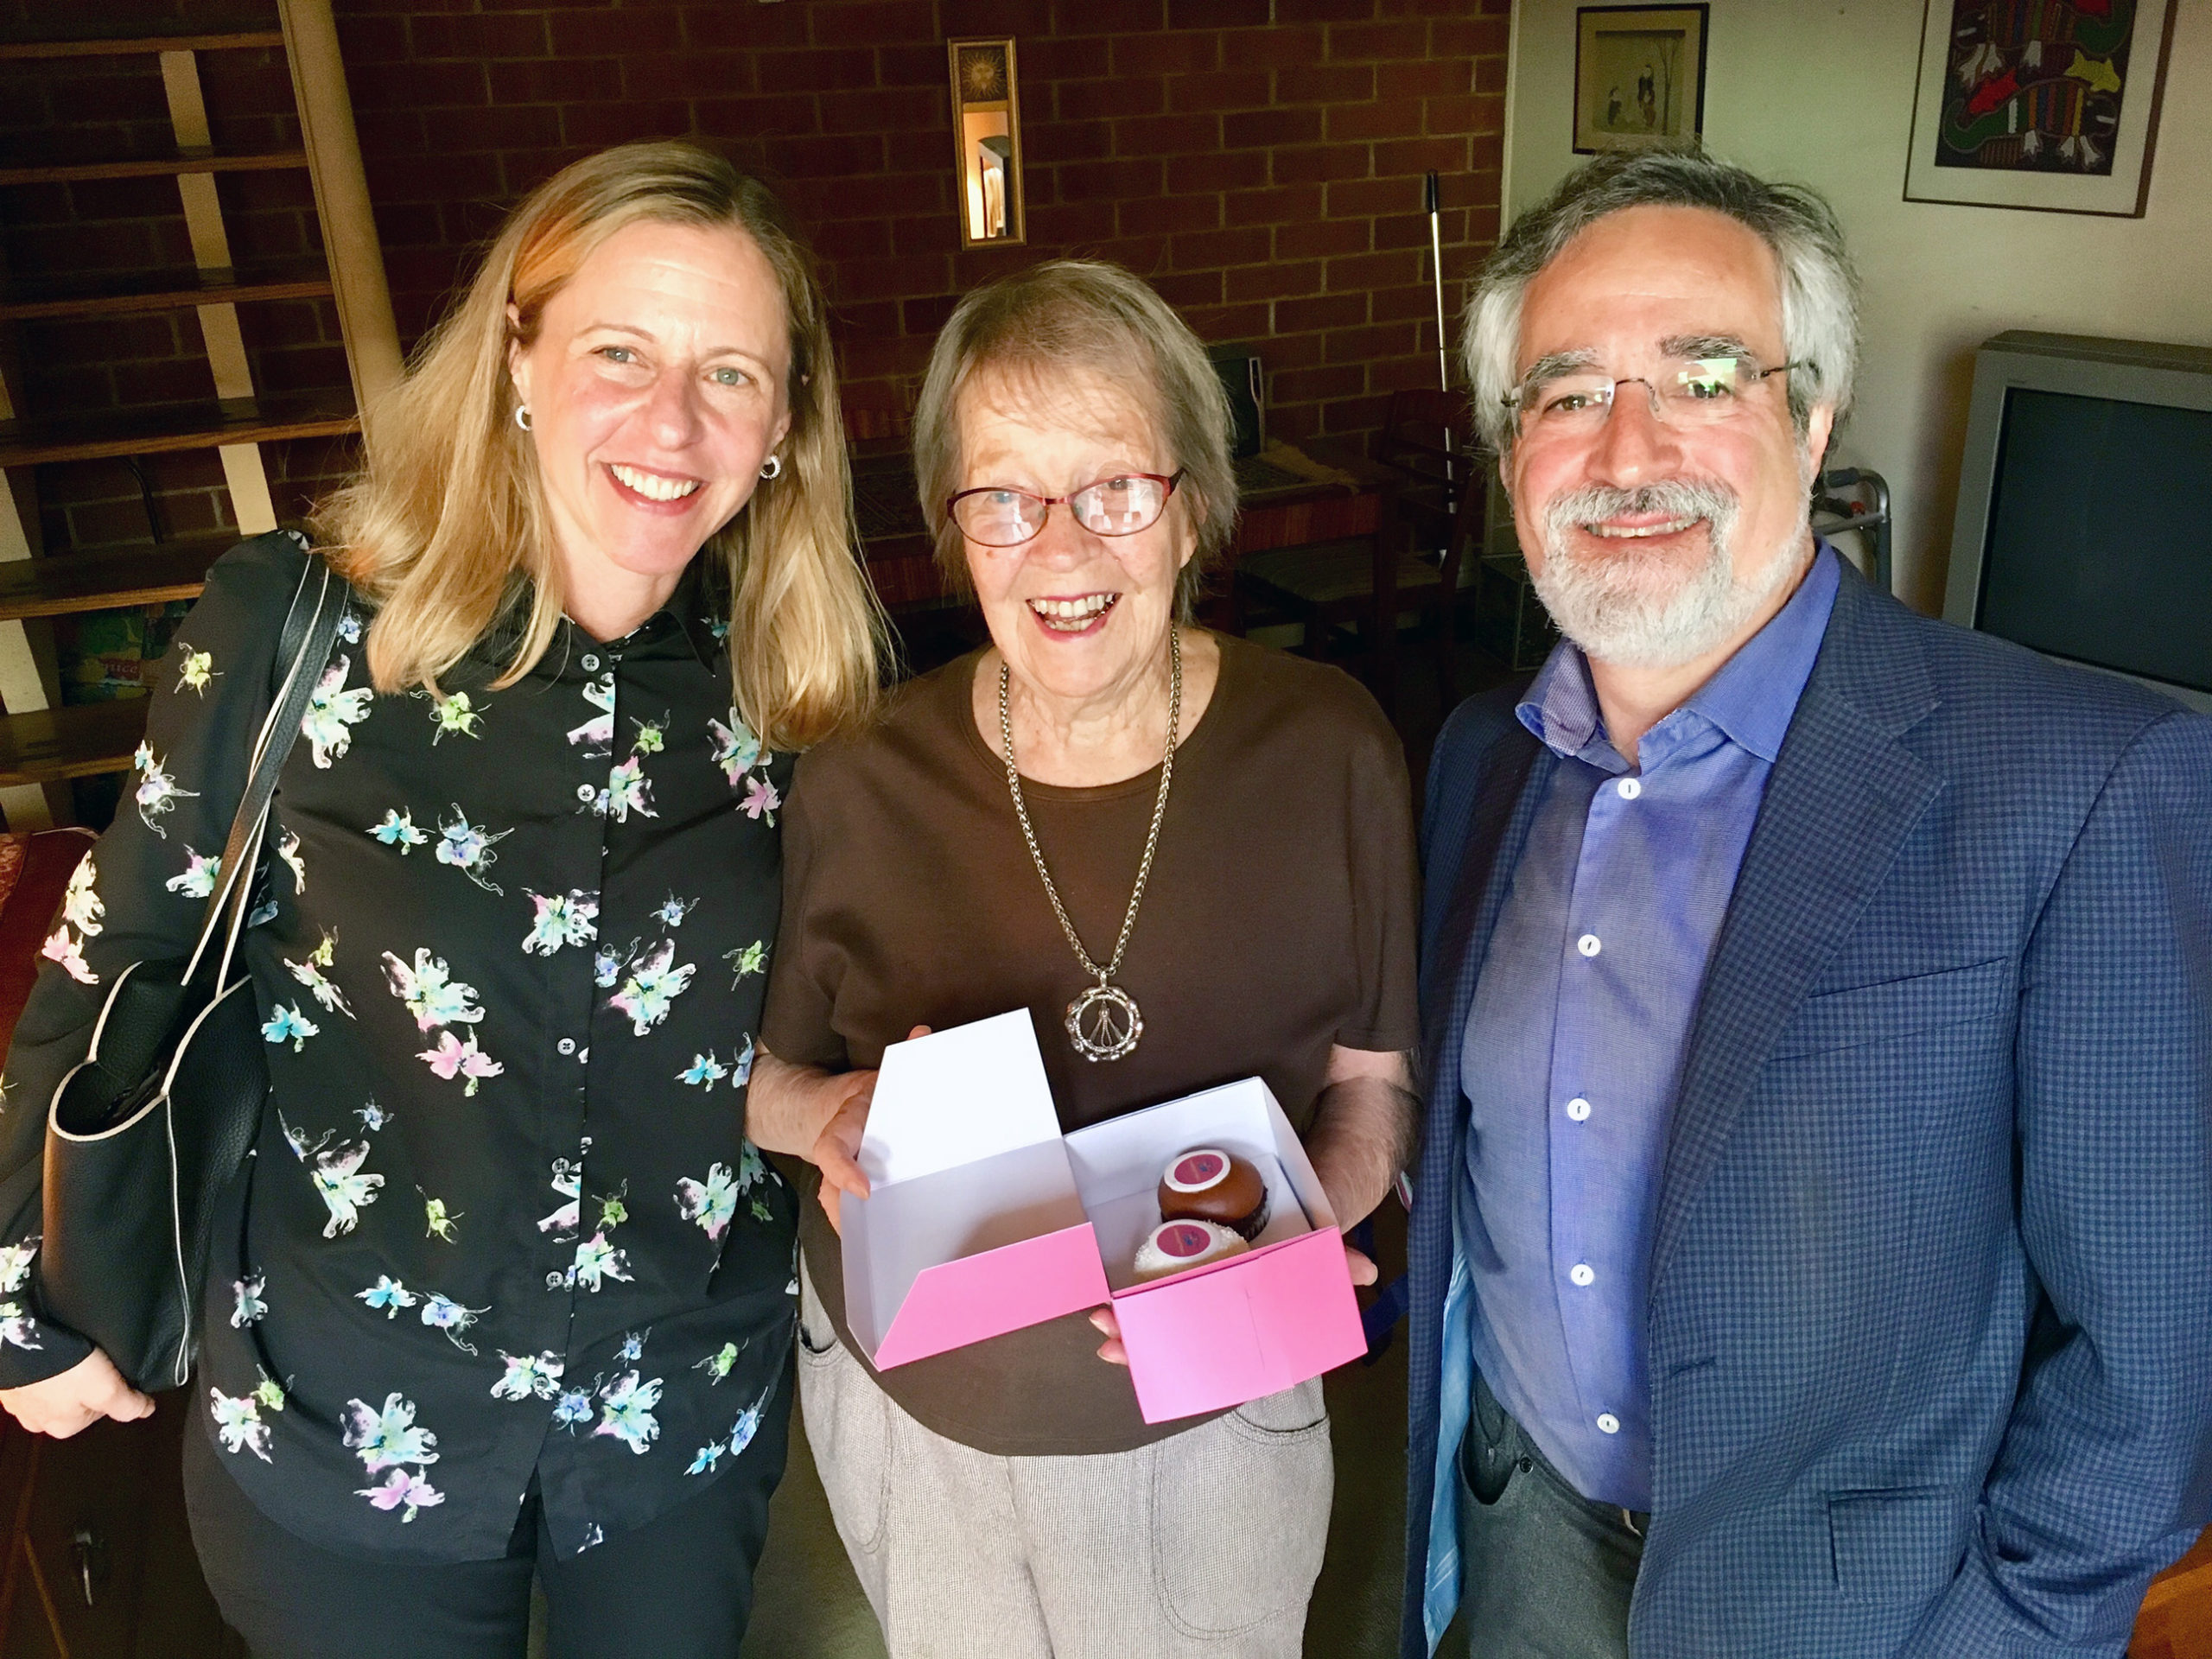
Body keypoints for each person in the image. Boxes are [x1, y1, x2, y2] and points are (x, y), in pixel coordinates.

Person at [0, 141, 883, 1658]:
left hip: (672, 1419)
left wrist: (818, 1110)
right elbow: (117, 954)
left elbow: (731, 1034)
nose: (670, 421)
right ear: (517, 358)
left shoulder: (798, 685)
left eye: (730, 372)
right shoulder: (292, 625)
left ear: (785, 425)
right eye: (619, 350)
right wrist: (26, 1286)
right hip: (346, 1424)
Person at [1402, 148, 2212, 1659]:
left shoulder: (2089, 787)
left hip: (1858, 1620)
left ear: (1815, 414)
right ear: (1513, 449)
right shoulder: (1475, 760)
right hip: (1520, 1546)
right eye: (1566, 392)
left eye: (1704, 375)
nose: (1627, 449)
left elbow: (2152, 1369)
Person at [747, 259, 1421, 1657]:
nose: (1061, 550)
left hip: (1220, 1406)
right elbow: (752, 1079)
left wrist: (1313, 1219)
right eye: (1003, 498)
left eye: (1115, 488)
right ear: (954, 529)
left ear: (1192, 509)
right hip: (915, 1411)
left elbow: (1371, 1087)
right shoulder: (860, 777)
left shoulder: (1328, 748)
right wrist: (826, 1114)